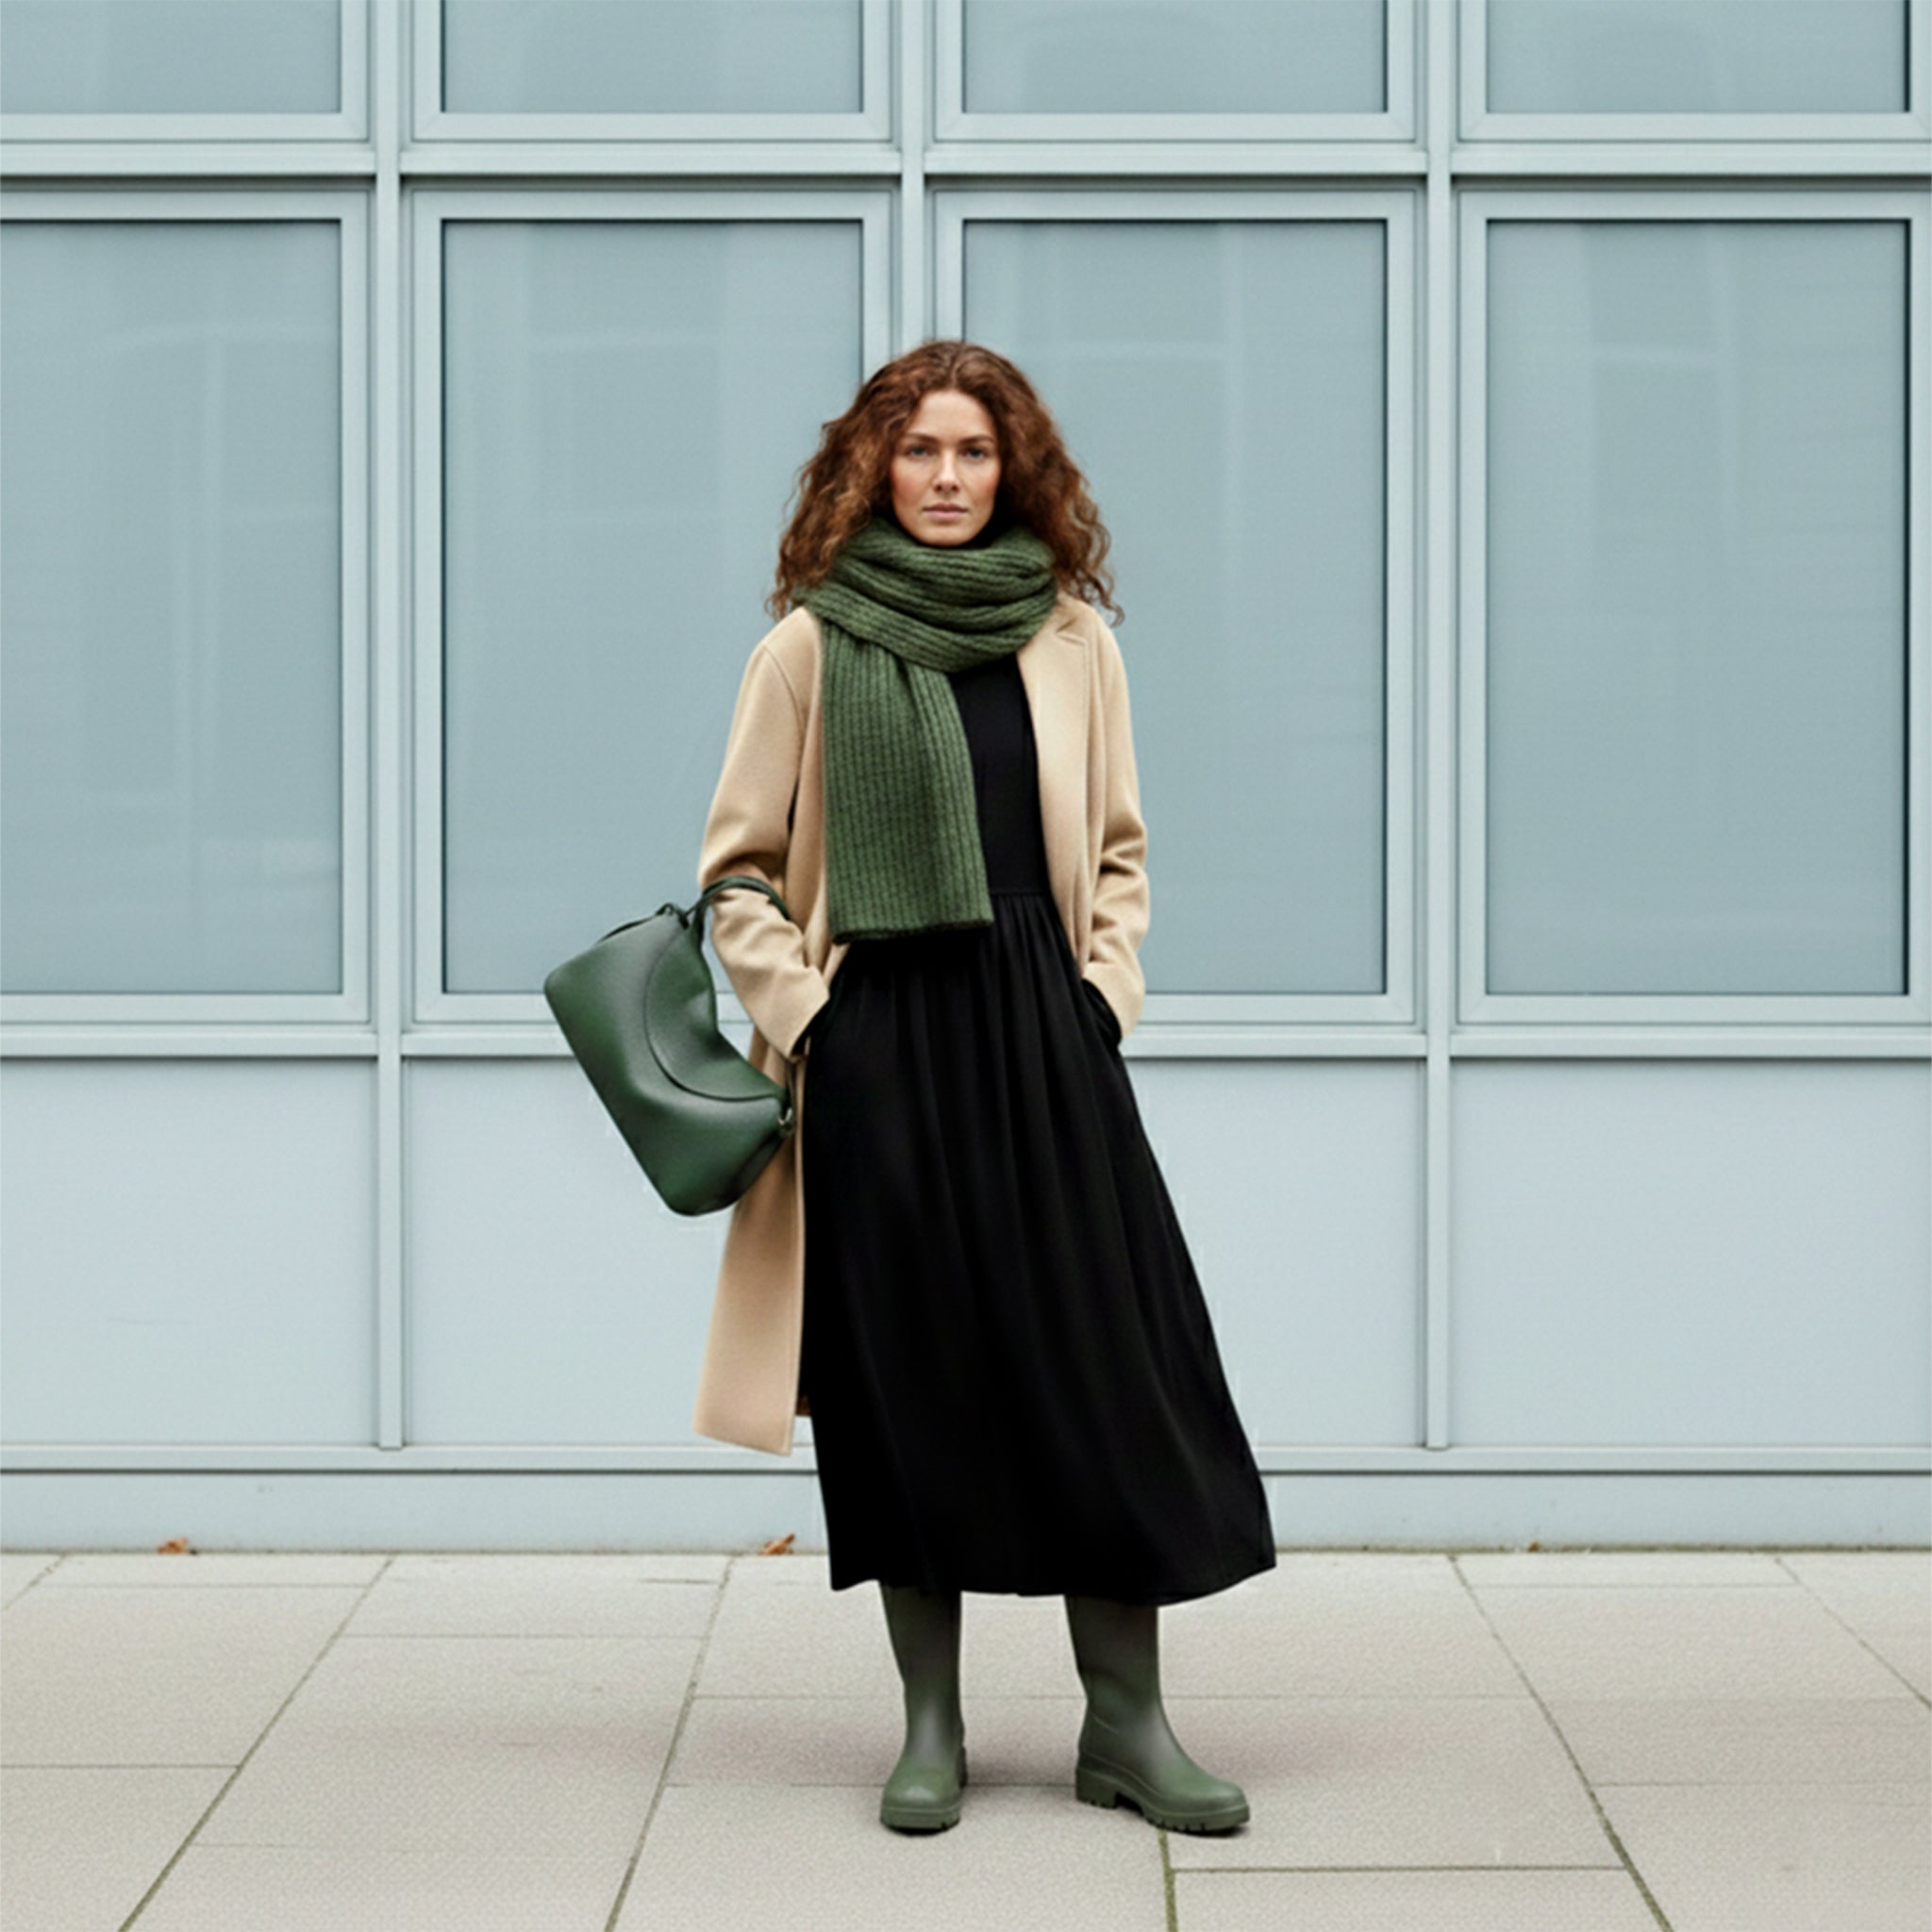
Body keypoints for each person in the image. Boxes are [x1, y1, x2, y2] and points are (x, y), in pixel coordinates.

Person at [695, 340, 1275, 1836]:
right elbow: (738, 879)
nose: (947, 479)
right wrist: (820, 1024)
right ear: (871, 471)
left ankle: (1125, 1726)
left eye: (972, 453)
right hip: (882, 1040)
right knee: (910, 1384)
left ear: (1012, 470)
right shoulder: (811, 648)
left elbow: (1123, 851)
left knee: (1110, 1363)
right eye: (919, 453)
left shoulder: (1073, 638)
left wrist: (1102, 995)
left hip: (1044, 1035)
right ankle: (933, 1729)